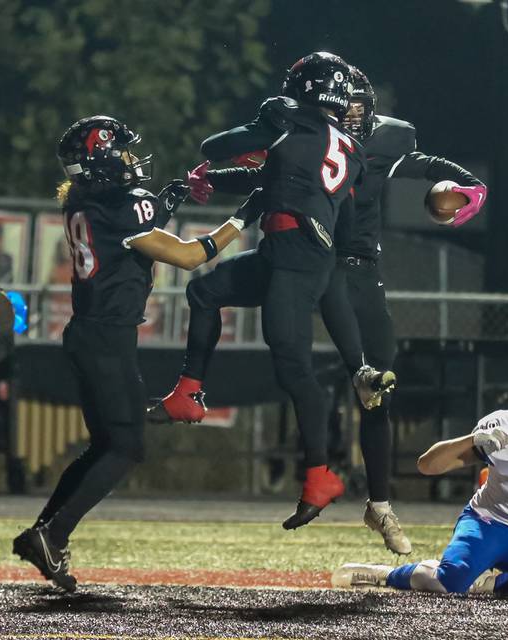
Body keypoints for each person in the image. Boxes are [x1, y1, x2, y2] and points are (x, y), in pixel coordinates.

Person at [174, 65, 487, 554]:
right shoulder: (313, 133)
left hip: (349, 266)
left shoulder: (375, 138)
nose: (353, 113)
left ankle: (379, 504)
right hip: (310, 258)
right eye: (348, 103)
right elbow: (268, 177)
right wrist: (220, 180)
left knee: (377, 390)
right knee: (337, 368)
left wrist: (466, 188)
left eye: (361, 106)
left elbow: (427, 165)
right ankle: (322, 442)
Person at [12, 115, 262, 592]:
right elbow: (191, 255)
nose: (130, 159)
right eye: (122, 151)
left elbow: (129, 236)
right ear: (103, 159)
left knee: (106, 444)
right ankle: (53, 533)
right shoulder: (122, 203)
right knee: (127, 447)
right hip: (107, 339)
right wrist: (244, 217)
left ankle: (42, 534)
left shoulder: (86, 199)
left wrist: (168, 201)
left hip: (89, 333)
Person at [147, 52, 369, 530]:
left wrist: (253, 129)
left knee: (293, 366)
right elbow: (284, 189)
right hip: (296, 249)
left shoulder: (289, 118)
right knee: (204, 293)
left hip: (296, 253)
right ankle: (188, 392)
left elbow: (216, 145)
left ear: (303, 88)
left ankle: (320, 473)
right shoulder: (348, 146)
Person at [332, 372, 508, 600]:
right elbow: (427, 465)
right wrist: (473, 440)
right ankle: (387, 575)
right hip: (486, 526)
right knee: (450, 582)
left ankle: (498, 583)